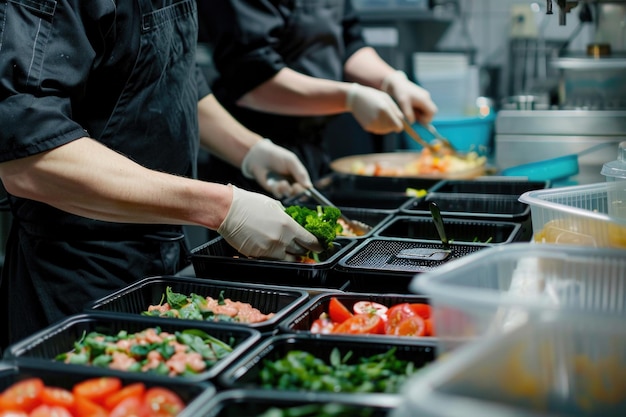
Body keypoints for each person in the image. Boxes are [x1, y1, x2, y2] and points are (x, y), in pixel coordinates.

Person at [0, 0, 323, 349]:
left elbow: (172, 73)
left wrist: (249, 149)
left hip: (162, 257)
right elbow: (29, 159)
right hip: (75, 276)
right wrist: (220, 207)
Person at [196, 0, 438, 192]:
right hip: (253, 152)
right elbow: (251, 79)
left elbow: (350, 42)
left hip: (316, 147)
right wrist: (350, 98)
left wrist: (391, 80)